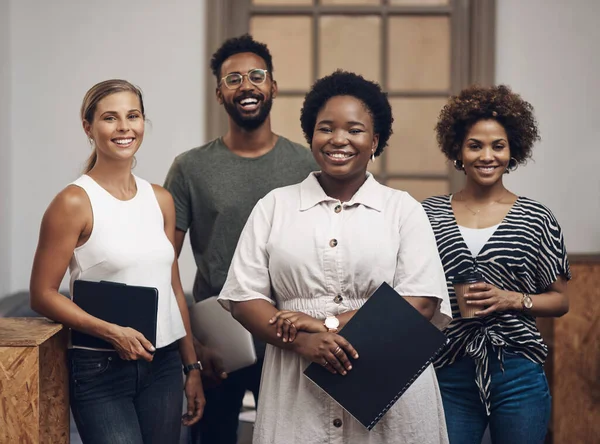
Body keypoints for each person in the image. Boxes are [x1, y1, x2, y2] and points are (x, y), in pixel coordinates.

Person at [217, 70, 452, 444]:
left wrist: (325, 325)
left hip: (389, 388)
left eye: (355, 130)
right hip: (296, 380)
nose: (338, 139)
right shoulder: (275, 206)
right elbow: (244, 297)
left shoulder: (402, 209)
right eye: (325, 128)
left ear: (375, 141)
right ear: (311, 135)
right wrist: (303, 343)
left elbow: (421, 302)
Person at [29, 79, 205, 444]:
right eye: (111, 118)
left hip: (164, 363)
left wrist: (191, 367)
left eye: (133, 116)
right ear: (88, 127)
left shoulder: (160, 199)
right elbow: (42, 294)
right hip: (100, 365)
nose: (125, 127)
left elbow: (172, 288)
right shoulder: (74, 202)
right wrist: (111, 332)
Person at [163, 34, 317, 444]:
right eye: (233, 79)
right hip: (219, 348)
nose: (246, 86)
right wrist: (191, 348)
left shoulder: (306, 164)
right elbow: (164, 263)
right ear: (219, 94)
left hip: (290, 343)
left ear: (272, 87)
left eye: (256, 76)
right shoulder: (190, 168)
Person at [421, 84, 571, 444]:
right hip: (448, 369)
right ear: (458, 150)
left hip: (517, 370)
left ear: (512, 150)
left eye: (497, 146)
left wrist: (513, 299)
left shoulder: (536, 218)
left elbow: (561, 300)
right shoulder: (428, 214)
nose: (486, 156)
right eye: (475, 145)